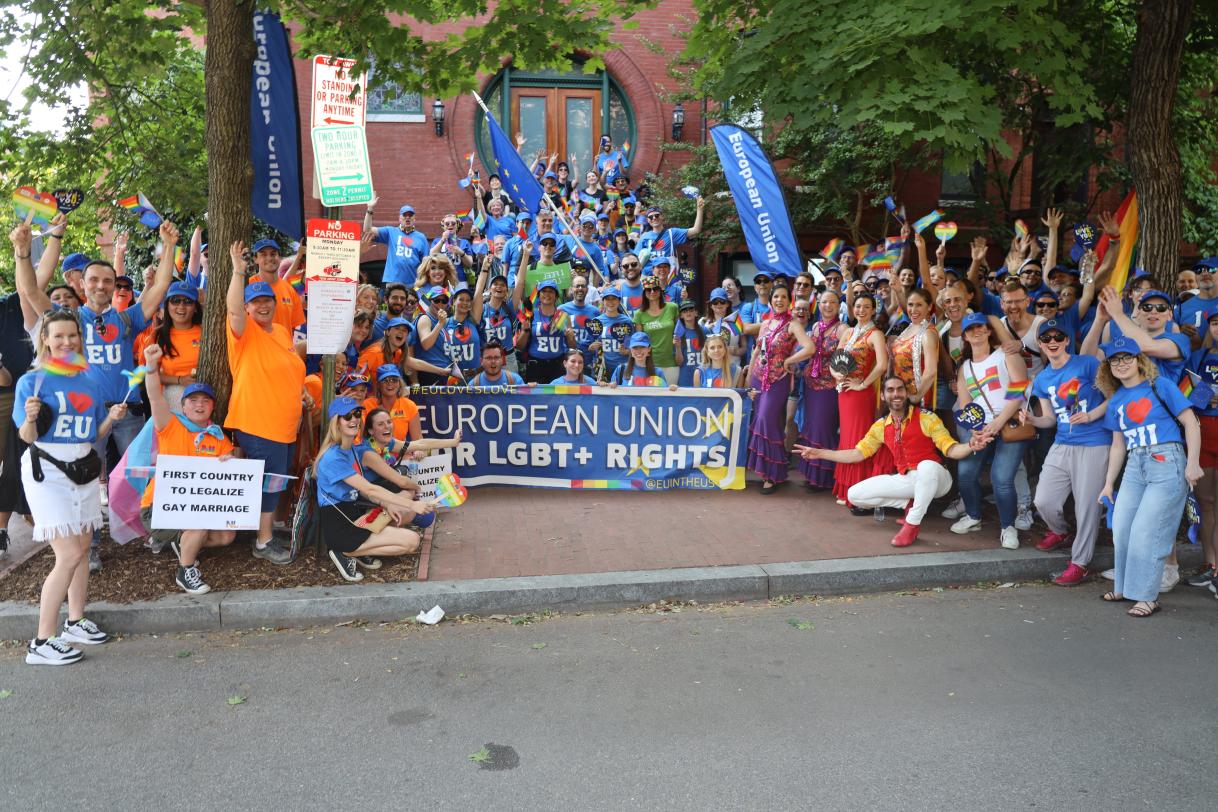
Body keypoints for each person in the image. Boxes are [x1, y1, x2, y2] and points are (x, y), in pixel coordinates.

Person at [16, 309, 128, 665]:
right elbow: (26, 437)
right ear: (45, 340)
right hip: (46, 473)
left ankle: (75, 620)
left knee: (81, 547)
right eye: (58, 337)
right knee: (67, 555)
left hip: (82, 470)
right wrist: (31, 418)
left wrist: (110, 419)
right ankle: (41, 641)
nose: (66, 342)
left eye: (72, 336)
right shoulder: (31, 382)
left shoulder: (88, 381)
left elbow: (91, 434)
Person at [796, 376, 986, 546]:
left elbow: (951, 449)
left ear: (906, 393)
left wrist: (970, 445)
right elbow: (857, 454)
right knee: (855, 495)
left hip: (938, 478)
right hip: (908, 479)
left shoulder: (926, 418)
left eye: (900, 389)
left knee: (926, 466)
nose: (896, 394)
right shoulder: (880, 426)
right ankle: (909, 504)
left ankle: (912, 524)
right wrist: (820, 453)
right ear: (883, 396)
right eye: (890, 390)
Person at [1096, 336, 1203, 618]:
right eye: (1114, 360)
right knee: (1121, 528)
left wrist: (1193, 463)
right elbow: (1118, 445)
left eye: (1126, 357)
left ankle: (1147, 597)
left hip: (1166, 461)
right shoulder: (1117, 399)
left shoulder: (1160, 385)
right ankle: (1123, 587)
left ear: (1138, 359)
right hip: (1135, 465)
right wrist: (1108, 484)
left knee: (1148, 531)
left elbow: (1191, 422)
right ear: (1108, 366)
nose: (1121, 364)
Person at [225, 240, 306, 565]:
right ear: (247, 307)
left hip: (284, 426)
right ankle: (262, 540)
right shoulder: (244, 333)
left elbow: (288, 369)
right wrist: (237, 272)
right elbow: (232, 308)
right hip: (258, 424)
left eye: (266, 301)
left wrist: (300, 394)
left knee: (276, 480)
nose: (262, 306)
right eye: (255, 302)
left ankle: (268, 529)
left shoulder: (282, 333)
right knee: (269, 483)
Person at [139, 345, 236, 595]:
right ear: (183, 407)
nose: (199, 405)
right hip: (158, 508)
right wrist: (151, 366)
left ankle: (184, 543)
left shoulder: (217, 437)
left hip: (196, 505)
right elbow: (154, 396)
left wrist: (234, 458)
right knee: (200, 522)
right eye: (193, 400)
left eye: (205, 401)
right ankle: (186, 570)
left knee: (227, 536)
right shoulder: (170, 425)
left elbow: (233, 465)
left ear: (213, 407)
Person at [1021, 319, 1110, 585]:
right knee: (1043, 500)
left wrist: (1091, 415)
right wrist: (1033, 420)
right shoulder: (1043, 378)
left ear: (1067, 340)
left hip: (1094, 442)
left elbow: (1114, 396)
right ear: (1040, 344)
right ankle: (1061, 532)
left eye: (1058, 336)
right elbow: (1049, 418)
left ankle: (1080, 563)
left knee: (1087, 509)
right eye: (1046, 338)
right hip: (1062, 443)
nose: (1052, 342)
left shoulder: (1087, 364)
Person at [313, 397, 434, 582]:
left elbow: (365, 491)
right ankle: (344, 551)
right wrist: (412, 504)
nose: (353, 419)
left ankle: (358, 551)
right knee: (412, 541)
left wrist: (388, 503)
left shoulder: (351, 449)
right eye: (347, 416)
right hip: (342, 526)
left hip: (357, 514)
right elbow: (369, 489)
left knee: (404, 522)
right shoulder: (332, 457)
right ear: (336, 422)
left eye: (356, 414)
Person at [953, 313, 1031, 549]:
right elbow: (966, 404)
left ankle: (1008, 526)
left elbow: (1018, 391)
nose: (976, 332)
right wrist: (976, 431)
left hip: (1008, 423)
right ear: (965, 336)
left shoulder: (1006, 355)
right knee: (965, 472)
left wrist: (998, 422)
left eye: (980, 328)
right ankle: (974, 516)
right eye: (970, 329)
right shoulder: (964, 367)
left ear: (988, 331)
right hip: (981, 428)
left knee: (1002, 479)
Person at [746, 284, 816, 493]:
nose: (779, 300)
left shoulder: (793, 324)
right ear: (771, 299)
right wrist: (749, 375)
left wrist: (789, 360)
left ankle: (771, 474)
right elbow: (757, 350)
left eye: (783, 297)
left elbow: (810, 348)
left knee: (766, 421)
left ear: (789, 301)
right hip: (759, 377)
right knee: (767, 421)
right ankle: (771, 473)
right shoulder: (766, 323)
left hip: (778, 380)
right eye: (776, 296)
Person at [831, 292, 892, 511]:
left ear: (873, 310)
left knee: (859, 438)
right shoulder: (848, 332)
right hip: (844, 391)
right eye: (858, 306)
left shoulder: (875, 334)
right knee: (847, 437)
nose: (861, 311)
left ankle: (859, 491)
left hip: (861, 393)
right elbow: (835, 359)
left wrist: (863, 384)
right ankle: (846, 487)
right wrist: (836, 374)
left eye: (866, 307)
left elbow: (882, 365)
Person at [797, 289, 846, 490]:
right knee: (812, 427)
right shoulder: (816, 326)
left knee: (824, 428)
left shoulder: (843, 329)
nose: (828, 305)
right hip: (810, 385)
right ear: (819, 303)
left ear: (838, 305)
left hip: (829, 386)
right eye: (824, 302)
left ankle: (823, 477)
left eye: (832, 302)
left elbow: (843, 359)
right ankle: (811, 474)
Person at [149, 280, 203, 411]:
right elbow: (151, 375)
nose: (181, 306)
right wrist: (179, 380)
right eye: (175, 300)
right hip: (172, 400)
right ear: (167, 305)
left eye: (188, 301)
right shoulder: (158, 335)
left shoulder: (206, 332)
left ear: (196, 308)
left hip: (203, 399)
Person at [515, 277, 575, 383]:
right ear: (539, 295)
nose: (547, 294)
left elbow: (573, 346)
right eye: (544, 291)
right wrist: (524, 331)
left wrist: (570, 337)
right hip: (535, 366)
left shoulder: (563, 316)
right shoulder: (530, 315)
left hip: (558, 365)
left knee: (557, 398)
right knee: (536, 399)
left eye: (551, 291)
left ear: (556, 296)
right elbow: (519, 346)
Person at [362, 198, 430, 287]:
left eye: (410, 215)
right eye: (404, 215)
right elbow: (367, 230)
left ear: (414, 219)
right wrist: (370, 208)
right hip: (393, 281)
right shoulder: (391, 232)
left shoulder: (421, 237)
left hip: (413, 282)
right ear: (399, 218)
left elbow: (426, 262)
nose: (407, 217)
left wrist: (422, 282)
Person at [889, 288, 940, 407]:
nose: (913, 310)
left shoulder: (927, 333)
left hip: (917, 400)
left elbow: (931, 371)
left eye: (919, 305)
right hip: (900, 397)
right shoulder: (908, 329)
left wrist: (916, 397)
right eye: (910, 305)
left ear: (929, 307)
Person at [247, 239, 305, 334]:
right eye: (263, 254)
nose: (269, 258)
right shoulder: (247, 286)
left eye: (273, 254)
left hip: (284, 348)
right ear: (255, 259)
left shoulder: (289, 289)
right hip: (258, 347)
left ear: (279, 257)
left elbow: (293, 327)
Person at [472, 258, 519, 373]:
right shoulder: (482, 309)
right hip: (486, 359)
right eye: (495, 284)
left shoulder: (509, 308)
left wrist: (526, 254)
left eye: (503, 285)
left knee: (511, 391)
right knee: (487, 390)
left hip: (508, 359)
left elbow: (520, 283)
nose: (499, 287)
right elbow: (478, 292)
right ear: (489, 289)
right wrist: (484, 269)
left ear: (507, 291)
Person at [633, 276, 680, 382]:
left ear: (660, 290)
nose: (652, 292)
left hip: (670, 361)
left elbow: (679, 332)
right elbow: (640, 341)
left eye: (655, 288)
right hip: (650, 363)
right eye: (648, 289)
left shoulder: (673, 307)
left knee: (672, 395)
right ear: (644, 292)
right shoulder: (639, 314)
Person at [636, 200, 704, 274]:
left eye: (657, 215)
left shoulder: (672, 233)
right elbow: (635, 257)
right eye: (651, 217)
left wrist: (700, 209)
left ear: (662, 217)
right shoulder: (644, 237)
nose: (654, 218)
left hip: (668, 278)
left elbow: (696, 230)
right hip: (649, 278)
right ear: (648, 220)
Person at [363, 365, 421, 442]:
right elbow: (361, 438)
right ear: (378, 384)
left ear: (399, 383)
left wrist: (418, 451)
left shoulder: (409, 405)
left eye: (394, 380)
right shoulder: (366, 405)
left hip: (401, 452)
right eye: (385, 380)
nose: (390, 384)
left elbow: (417, 439)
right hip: (373, 451)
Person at [607, 333, 673, 388]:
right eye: (635, 348)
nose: (639, 351)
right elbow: (612, 394)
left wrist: (673, 389)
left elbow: (664, 396)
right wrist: (612, 386)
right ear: (630, 350)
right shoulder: (621, 369)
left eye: (642, 347)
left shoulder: (658, 372)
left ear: (649, 349)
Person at [674, 300, 705, 387]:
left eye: (691, 310)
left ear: (696, 313)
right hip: (685, 377)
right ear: (681, 315)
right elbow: (679, 363)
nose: (688, 312)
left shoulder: (705, 330)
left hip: (703, 374)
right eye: (685, 311)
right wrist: (678, 347)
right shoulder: (679, 333)